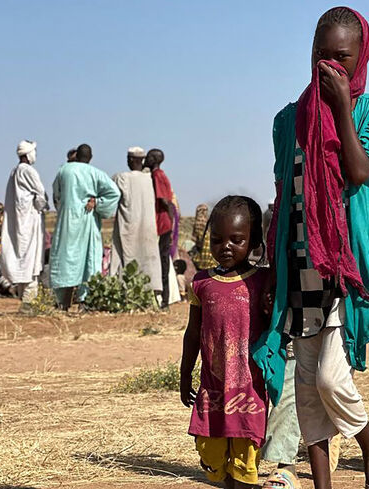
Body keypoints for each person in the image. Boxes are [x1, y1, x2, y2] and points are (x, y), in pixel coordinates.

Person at [252, 7, 369, 489]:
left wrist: (340, 107)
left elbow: (359, 173)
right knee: (305, 390)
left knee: (331, 381)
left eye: (342, 58)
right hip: (296, 264)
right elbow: (283, 195)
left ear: (360, 59)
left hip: (341, 267)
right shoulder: (287, 119)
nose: (330, 67)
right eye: (322, 56)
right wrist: (271, 266)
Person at [179, 196, 269, 489]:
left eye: (236, 240)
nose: (225, 247)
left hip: (250, 389)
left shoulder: (263, 282)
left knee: (245, 462)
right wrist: (184, 374)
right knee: (213, 456)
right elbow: (193, 333)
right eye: (217, 240)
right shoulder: (201, 283)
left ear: (253, 241)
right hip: (213, 388)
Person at [49, 144, 120, 310]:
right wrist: (97, 202)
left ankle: (62, 302)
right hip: (87, 221)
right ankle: (84, 302)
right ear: (90, 157)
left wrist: (65, 205)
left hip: (66, 221)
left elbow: (56, 194)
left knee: (64, 259)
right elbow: (114, 192)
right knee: (88, 260)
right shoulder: (95, 173)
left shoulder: (64, 170)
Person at [1, 140, 49, 309]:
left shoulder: (14, 172)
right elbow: (41, 195)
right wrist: (43, 205)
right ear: (28, 154)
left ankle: (26, 301)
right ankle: (29, 302)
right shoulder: (28, 171)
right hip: (29, 222)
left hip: (21, 223)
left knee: (22, 258)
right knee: (30, 259)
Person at [110, 147, 162, 293]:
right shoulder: (150, 178)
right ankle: (151, 290)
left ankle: (124, 289)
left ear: (132, 160)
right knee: (147, 257)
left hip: (128, 227)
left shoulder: (122, 177)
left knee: (125, 256)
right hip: (148, 226)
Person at [146, 148, 175, 309]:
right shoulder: (159, 174)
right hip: (164, 224)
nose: (146, 159)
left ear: (155, 159)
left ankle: (164, 300)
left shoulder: (157, 175)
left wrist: (170, 222)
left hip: (163, 224)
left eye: (150, 157)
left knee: (162, 261)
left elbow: (164, 200)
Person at [191, 203, 219, 271]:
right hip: (210, 255)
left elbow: (195, 238)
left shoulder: (197, 222)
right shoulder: (209, 221)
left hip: (202, 256)